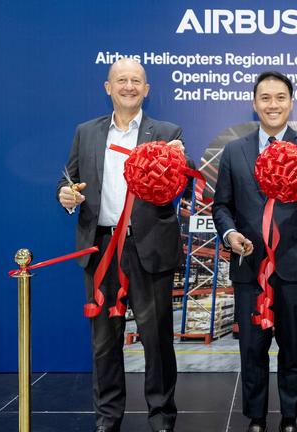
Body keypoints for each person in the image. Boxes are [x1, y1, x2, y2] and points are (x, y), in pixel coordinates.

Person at [57, 58, 185, 432]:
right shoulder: (86, 132)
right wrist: (66, 195)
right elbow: (68, 180)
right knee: (104, 343)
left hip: (149, 247)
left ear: (147, 90)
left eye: (136, 81)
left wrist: (179, 160)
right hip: (101, 248)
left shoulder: (167, 132)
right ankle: (108, 419)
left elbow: (180, 182)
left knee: (156, 341)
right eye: (121, 80)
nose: (129, 86)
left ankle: (162, 419)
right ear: (108, 87)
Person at [212, 71, 297, 432]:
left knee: (293, 345)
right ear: (254, 103)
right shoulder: (235, 150)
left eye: (280, 97)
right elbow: (222, 205)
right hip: (250, 263)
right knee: (252, 347)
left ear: (291, 103)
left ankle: (290, 416)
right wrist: (230, 234)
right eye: (265, 98)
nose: (273, 104)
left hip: (294, 263)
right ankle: (256, 417)